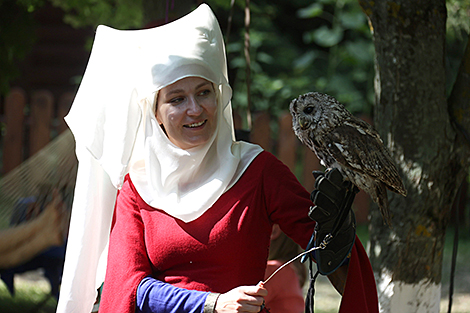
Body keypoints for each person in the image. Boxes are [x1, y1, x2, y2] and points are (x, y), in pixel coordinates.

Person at [56, 4, 379, 313]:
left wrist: (337, 233)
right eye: (177, 99)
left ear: (220, 95)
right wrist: (212, 304)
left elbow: (330, 251)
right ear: (155, 112)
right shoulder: (137, 187)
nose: (195, 109)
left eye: (204, 92)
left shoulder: (257, 170)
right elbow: (130, 285)